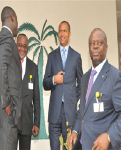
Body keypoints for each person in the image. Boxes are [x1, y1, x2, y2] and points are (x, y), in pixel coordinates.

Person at [68, 28, 121, 150]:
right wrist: (75, 130)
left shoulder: (115, 76)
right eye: (92, 43)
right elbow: (82, 110)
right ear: (89, 48)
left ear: (106, 47)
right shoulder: (85, 77)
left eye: (99, 43)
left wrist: (109, 136)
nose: (95, 46)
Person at [43, 21, 83, 150]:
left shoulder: (76, 57)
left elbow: (81, 84)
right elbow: (45, 83)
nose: (62, 33)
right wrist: (54, 79)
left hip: (69, 114)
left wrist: (72, 99)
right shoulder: (51, 56)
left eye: (64, 31)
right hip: (54, 113)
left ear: (69, 34)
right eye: (60, 31)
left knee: (69, 148)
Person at [0, 6, 22, 150]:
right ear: (13, 17)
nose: (17, 25)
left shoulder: (3, 38)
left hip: (6, 113)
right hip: (7, 113)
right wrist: (7, 104)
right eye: (17, 21)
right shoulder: (6, 37)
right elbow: (0, 66)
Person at [16, 34, 40, 150]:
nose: (22, 49)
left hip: (27, 122)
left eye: (25, 46)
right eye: (20, 45)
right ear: (16, 45)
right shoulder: (10, 64)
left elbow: (36, 98)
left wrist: (37, 123)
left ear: (28, 47)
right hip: (12, 121)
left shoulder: (33, 67)